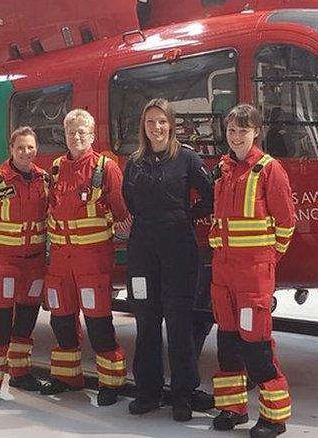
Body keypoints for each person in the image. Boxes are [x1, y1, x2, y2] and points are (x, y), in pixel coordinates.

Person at [122, 99, 215, 421]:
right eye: (150, 122)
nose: (156, 128)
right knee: (146, 321)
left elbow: (210, 195)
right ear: (143, 127)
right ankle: (147, 391)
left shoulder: (187, 159)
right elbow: (130, 201)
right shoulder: (134, 163)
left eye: (162, 122)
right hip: (143, 251)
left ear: (171, 125)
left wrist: (186, 216)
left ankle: (183, 393)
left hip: (178, 249)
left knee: (179, 321)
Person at [209, 104, 296, 438]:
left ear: (256, 132)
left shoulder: (269, 169)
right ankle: (232, 408)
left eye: (243, 130)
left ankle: (274, 416)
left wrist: (268, 260)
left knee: (256, 345)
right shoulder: (224, 169)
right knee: (227, 342)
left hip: (253, 275)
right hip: (224, 274)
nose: (236, 136)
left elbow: (286, 224)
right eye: (231, 130)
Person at [39, 108, 130, 406]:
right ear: (64, 135)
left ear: (92, 135)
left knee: (99, 323)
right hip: (60, 264)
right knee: (61, 321)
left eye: (82, 132)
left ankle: (110, 383)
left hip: (93, 263)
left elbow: (122, 215)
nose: (76, 137)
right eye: (71, 132)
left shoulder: (106, 168)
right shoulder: (55, 169)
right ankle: (67, 378)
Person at [0, 126, 50, 407]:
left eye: (30, 147)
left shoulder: (44, 179)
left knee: (27, 320)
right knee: (1, 323)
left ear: (35, 148)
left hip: (35, 264)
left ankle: (20, 373)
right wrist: (3, 246)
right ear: (11, 149)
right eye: (21, 148)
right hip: (6, 263)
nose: (26, 152)